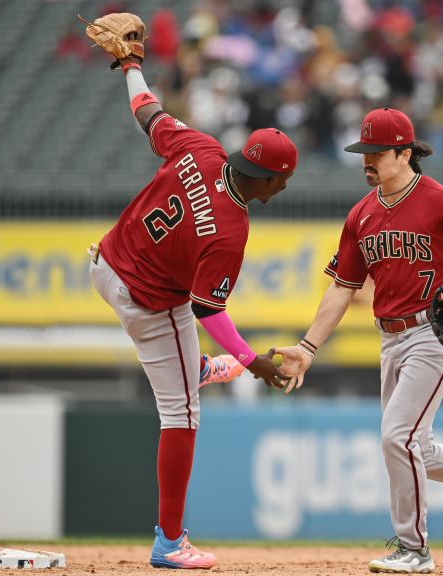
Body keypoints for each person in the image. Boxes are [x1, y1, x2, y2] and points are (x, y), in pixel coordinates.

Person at [275, 107, 443, 573]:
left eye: (376, 152)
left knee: (397, 438)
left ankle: (414, 548)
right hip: (390, 340)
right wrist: (308, 348)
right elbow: (341, 286)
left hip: (435, 333)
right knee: (416, 449)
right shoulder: (361, 214)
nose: (366, 160)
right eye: (363, 152)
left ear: (404, 153)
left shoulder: (440, 200)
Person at [88, 29, 297, 570]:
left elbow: (148, 113)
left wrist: (131, 62)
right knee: (181, 412)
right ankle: (171, 542)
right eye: (282, 181)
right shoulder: (231, 229)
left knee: (180, 364)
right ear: (272, 180)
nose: (280, 190)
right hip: (148, 300)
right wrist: (255, 363)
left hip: (107, 263)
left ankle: (195, 366)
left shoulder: (200, 147)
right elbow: (209, 308)